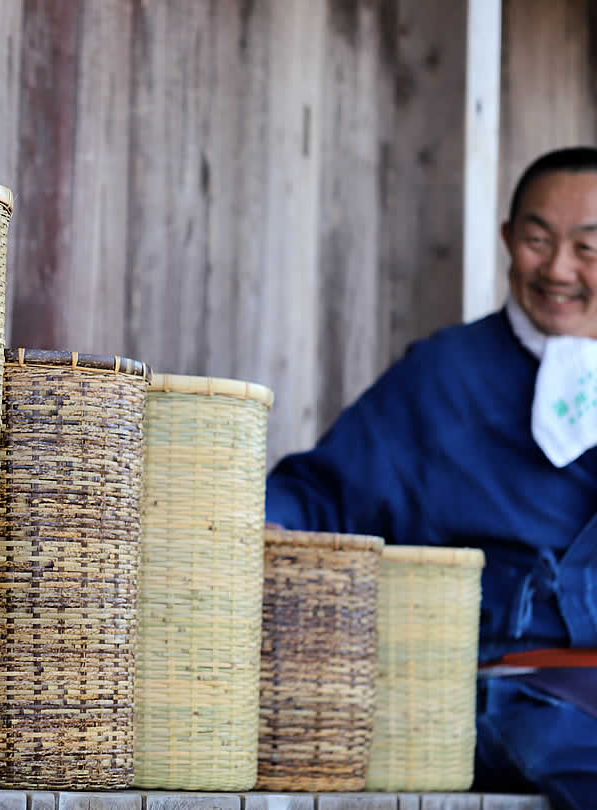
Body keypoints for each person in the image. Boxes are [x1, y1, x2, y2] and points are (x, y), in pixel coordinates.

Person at [266, 146, 597, 810]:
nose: (558, 268)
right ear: (507, 241)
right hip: (497, 686)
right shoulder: (445, 376)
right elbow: (324, 492)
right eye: (537, 240)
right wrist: (258, 521)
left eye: (588, 247)